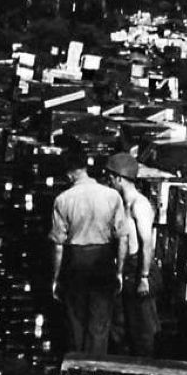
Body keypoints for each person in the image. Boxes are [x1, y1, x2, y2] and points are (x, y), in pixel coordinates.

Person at [49, 150, 129, 355]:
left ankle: (76, 370)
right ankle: (96, 370)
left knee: (76, 322)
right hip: (103, 261)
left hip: (75, 262)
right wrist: (119, 271)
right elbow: (122, 238)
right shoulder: (112, 196)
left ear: (69, 174)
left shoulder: (62, 200)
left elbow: (58, 244)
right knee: (100, 324)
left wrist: (56, 278)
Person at [105, 153, 159, 357]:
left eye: (111, 177)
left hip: (138, 268)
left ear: (119, 178)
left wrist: (144, 277)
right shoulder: (120, 204)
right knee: (121, 324)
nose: (109, 182)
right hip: (126, 268)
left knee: (142, 326)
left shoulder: (140, 204)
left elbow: (147, 244)